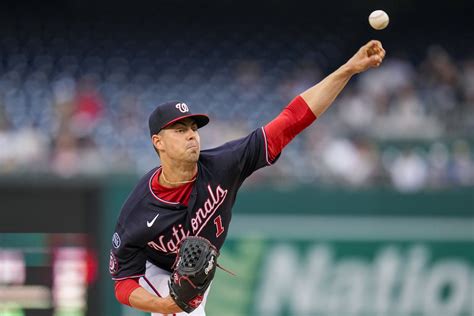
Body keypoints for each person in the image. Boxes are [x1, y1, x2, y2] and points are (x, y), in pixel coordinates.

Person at [109, 40, 386, 315]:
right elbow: (122, 283)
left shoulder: (223, 164)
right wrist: (163, 305)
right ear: (158, 142)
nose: (192, 134)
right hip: (154, 270)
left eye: (193, 127)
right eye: (180, 130)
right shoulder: (140, 208)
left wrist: (347, 69)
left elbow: (293, 118)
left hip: (194, 275)